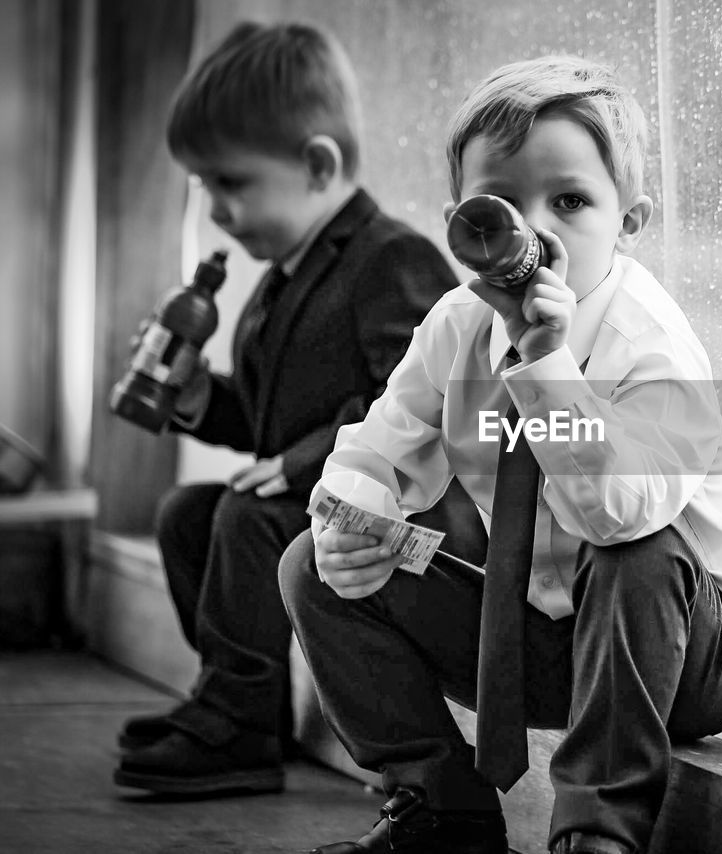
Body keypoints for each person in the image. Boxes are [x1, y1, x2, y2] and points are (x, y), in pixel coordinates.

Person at [277, 55, 722, 854]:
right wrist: (352, 517)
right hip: (537, 638)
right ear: (463, 221)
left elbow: (616, 516)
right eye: (500, 203)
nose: (534, 232)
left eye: (570, 201)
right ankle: (441, 812)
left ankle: (597, 834)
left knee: (636, 557)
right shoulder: (456, 322)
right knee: (308, 565)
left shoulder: (654, 345)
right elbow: (379, 443)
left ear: (630, 221)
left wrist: (545, 365)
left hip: (679, 654)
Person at [112, 21, 457, 797]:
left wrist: (304, 466)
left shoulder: (389, 258)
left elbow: (420, 405)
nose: (215, 211)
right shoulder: (276, 281)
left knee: (248, 517)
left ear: (316, 164)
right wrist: (206, 402)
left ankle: (233, 725)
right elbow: (270, 427)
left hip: (394, 518)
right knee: (187, 514)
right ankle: (238, 700)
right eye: (204, 188)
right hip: (321, 500)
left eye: (230, 184)